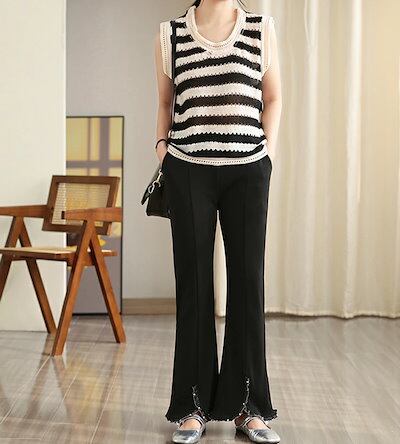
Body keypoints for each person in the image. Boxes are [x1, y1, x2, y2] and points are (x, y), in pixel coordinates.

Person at [154, 0, 282, 442]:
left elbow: (273, 97)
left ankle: (250, 407)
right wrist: (162, 151)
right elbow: (165, 103)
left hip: (248, 171)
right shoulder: (170, 35)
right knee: (193, 285)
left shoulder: (260, 29)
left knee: (248, 284)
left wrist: (267, 154)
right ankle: (192, 407)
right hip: (189, 171)